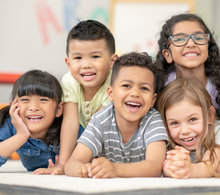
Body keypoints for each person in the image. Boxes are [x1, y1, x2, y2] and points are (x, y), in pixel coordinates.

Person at [64, 52, 169, 178]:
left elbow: (155, 167)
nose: (135, 93)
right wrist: (85, 169)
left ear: (153, 100)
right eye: (126, 86)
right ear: (111, 93)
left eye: (144, 88)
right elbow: (71, 164)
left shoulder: (152, 120)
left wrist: (114, 168)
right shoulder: (100, 121)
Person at [35, 20, 118, 175]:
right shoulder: (69, 80)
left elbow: (98, 125)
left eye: (95, 56)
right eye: (78, 58)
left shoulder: (115, 82)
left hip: (107, 134)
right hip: (80, 135)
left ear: (112, 61)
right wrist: (64, 164)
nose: (86, 64)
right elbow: (71, 122)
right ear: (68, 62)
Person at [156, 13, 220, 118]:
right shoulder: (160, 87)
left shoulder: (217, 88)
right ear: (168, 55)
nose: (191, 44)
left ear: (208, 48)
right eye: (180, 39)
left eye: (199, 37)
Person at [0, 70, 63, 172]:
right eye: (25, 99)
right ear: (13, 107)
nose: (33, 107)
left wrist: (65, 167)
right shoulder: (11, 124)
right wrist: (21, 135)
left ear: (59, 109)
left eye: (43, 100)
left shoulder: (68, 126)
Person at [157, 78, 220, 178]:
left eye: (192, 119)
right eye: (174, 123)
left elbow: (206, 169)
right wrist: (170, 168)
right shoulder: (164, 146)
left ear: (209, 116)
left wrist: (189, 169)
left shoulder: (214, 149)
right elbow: (163, 167)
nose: (185, 131)